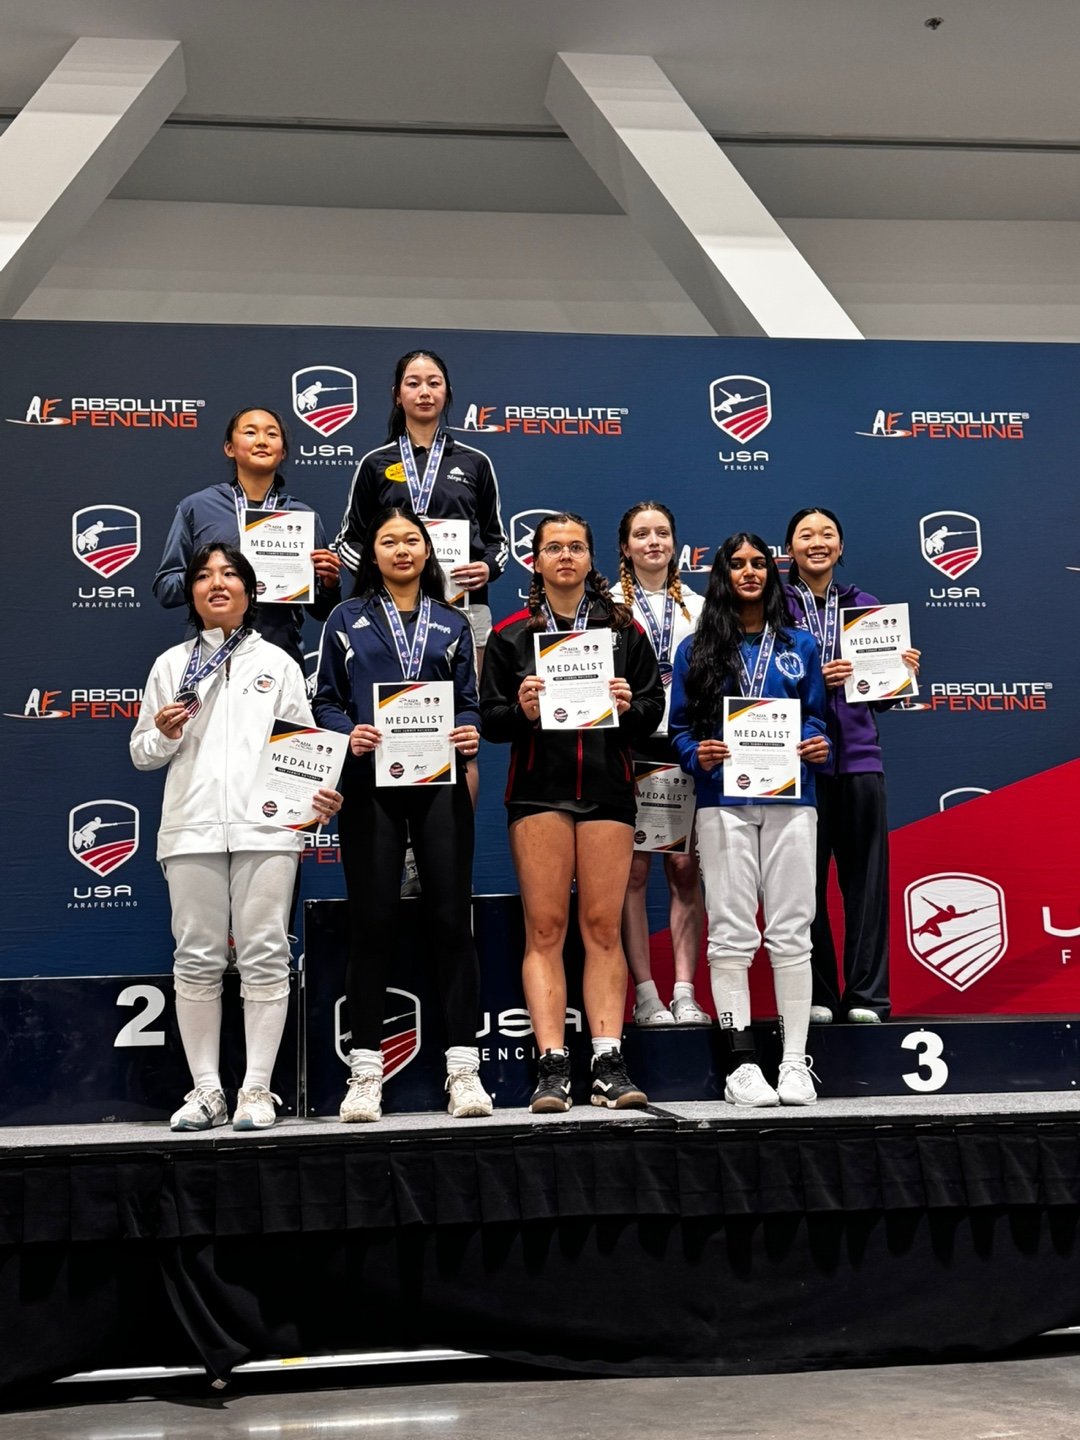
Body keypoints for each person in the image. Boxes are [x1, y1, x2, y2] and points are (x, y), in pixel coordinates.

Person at [131, 544, 342, 1132]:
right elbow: (142, 752)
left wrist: (317, 797)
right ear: (192, 594)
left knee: (265, 954)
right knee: (196, 958)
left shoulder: (278, 662)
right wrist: (166, 735)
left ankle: (254, 1091)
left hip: (267, 828)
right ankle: (206, 1092)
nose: (216, 584)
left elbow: (302, 748)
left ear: (250, 591)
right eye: (203, 576)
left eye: (229, 575)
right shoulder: (170, 666)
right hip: (191, 829)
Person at [313, 505, 492, 1124]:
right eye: (388, 541)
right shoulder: (344, 619)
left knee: (450, 920)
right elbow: (326, 701)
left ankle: (463, 1069)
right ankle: (366, 1073)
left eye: (411, 540)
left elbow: (470, 705)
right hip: (369, 785)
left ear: (427, 550)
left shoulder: (451, 621)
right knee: (373, 923)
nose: (401, 550)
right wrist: (348, 733)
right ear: (374, 553)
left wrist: (468, 731)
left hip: (439, 785)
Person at [480, 512, 665, 1113]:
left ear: (592, 561)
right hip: (538, 793)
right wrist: (524, 709)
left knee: (603, 930)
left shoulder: (625, 633)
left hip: (609, 792)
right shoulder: (510, 636)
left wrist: (628, 702)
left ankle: (608, 1061)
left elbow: (650, 714)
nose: (565, 556)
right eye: (553, 547)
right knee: (545, 930)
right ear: (535, 560)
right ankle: (553, 1066)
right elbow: (491, 721)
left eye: (576, 548)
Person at [669, 533, 830, 1107]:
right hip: (721, 801)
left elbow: (816, 718)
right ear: (721, 575)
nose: (749, 572)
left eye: (759, 563)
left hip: (793, 800)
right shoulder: (696, 648)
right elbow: (680, 728)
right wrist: (697, 754)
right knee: (732, 934)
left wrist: (815, 744)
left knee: (792, 933)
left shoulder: (801, 645)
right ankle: (741, 1065)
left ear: (772, 572)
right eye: (736, 564)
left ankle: (792, 1063)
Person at [784, 506, 921, 1024]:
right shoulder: (775, 608)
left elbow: (879, 700)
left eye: (827, 535)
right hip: (798, 764)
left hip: (860, 761)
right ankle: (817, 993)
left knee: (866, 884)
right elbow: (758, 681)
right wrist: (817, 676)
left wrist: (899, 674)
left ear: (840, 547)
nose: (817, 542)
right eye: (805, 535)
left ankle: (868, 996)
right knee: (803, 887)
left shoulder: (866, 608)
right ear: (789, 548)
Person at [332, 350, 508, 671]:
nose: (424, 392)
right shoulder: (375, 463)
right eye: (413, 384)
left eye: (434, 383)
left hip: (464, 604)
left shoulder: (476, 462)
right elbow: (348, 541)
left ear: (447, 392)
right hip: (389, 607)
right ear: (398, 396)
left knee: (468, 705)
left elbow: (498, 542)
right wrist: (379, 567)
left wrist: (487, 569)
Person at [153, 407, 342, 669]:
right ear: (230, 448)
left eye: (272, 434)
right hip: (210, 657)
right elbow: (166, 589)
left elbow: (322, 611)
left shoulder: (303, 517)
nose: (262, 441)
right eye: (250, 432)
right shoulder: (196, 508)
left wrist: (329, 583)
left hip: (281, 657)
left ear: (283, 451)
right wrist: (217, 572)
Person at [616, 502, 709, 1027]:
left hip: (680, 747)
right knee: (631, 874)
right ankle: (646, 994)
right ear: (625, 546)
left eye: (663, 533)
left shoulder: (699, 606)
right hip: (628, 748)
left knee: (683, 871)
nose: (653, 541)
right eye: (642, 534)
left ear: (675, 543)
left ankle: (685, 991)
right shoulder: (607, 607)